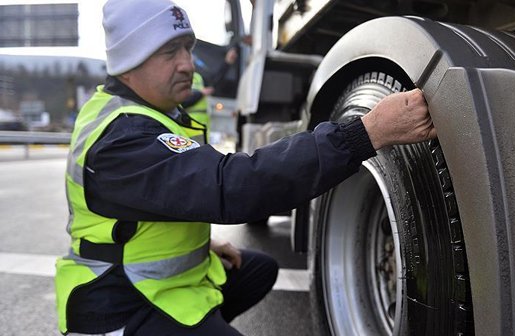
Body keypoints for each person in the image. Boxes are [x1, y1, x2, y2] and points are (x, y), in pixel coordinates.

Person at [54, 0, 437, 335]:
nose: (188, 64)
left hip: (155, 285)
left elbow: (164, 198)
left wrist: (203, 245)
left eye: (187, 48)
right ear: (129, 60)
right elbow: (230, 187)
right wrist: (363, 134)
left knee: (259, 269)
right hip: (119, 303)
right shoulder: (123, 135)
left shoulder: (151, 112)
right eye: (170, 51)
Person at [182, 48, 238, 134]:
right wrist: (200, 93)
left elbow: (215, 81)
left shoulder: (197, 77)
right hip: (189, 122)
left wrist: (227, 63)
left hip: (202, 122)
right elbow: (183, 101)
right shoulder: (179, 79)